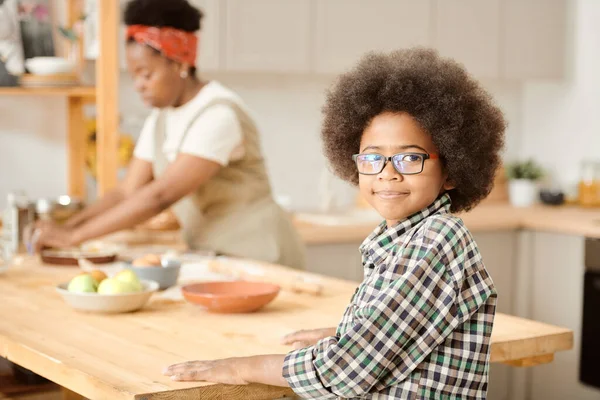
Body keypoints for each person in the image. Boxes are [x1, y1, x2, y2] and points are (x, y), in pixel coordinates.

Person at [162, 48, 506, 399]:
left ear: (450, 170)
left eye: (409, 158)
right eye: (372, 158)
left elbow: (346, 370)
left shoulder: (437, 239)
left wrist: (239, 367)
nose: (387, 173)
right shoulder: (399, 238)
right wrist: (345, 333)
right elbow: (402, 334)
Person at [26, 0, 305, 269]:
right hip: (215, 256)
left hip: (263, 255)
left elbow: (160, 195)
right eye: (134, 75)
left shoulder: (218, 114)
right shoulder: (161, 118)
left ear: (180, 64)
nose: (138, 85)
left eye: (146, 75)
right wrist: (66, 227)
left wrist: (73, 239)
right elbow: (126, 191)